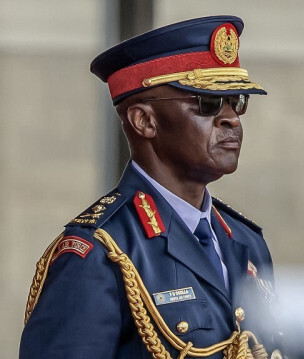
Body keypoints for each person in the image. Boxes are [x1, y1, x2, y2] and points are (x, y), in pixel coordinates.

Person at [20, 16, 283, 359]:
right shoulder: (99, 254)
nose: (231, 118)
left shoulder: (246, 241)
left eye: (237, 101)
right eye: (207, 103)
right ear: (144, 121)